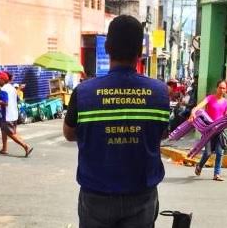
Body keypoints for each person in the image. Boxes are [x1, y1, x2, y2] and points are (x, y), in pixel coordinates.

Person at [63, 15, 170, 228]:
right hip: (141, 195)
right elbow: (162, 133)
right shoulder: (160, 93)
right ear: (140, 51)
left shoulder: (84, 92)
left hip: (96, 196)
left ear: (108, 48)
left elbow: (69, 133)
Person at [190, 79, 227, 181]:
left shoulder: (225, 102)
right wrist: (193, 111)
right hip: (208, 130)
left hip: (219, 130)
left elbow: (226, 117)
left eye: (224, 88)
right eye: (220, 87)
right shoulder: (210, 98)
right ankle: (199, 166)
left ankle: (216, 174)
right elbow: (199, 106)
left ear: (226, 90)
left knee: (219, 152)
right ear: (217, 88)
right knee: (208, 152)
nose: (221, 90)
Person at [0, 71, 33, 157]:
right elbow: (17, 99)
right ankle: (4, 149)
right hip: (14, 114)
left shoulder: (4, 89)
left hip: (8, 115)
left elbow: (5, 103)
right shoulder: (12, 88)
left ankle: (26, 147)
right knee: (3, 130)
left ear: (2, 80)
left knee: (11, 133)